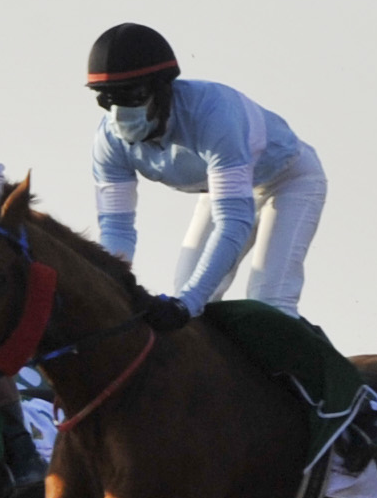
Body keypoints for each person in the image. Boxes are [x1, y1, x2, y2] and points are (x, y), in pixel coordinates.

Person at [84, 24, 328, 318]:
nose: (119, 113)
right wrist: (112, 287)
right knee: (191, 295)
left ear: (162, 90)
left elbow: (233, 221)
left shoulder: (214, 114)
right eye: (106, 98)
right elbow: (116, 227)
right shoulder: (109, 141)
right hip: (220, 188)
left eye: (131, 96)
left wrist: (186, 303)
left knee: (269, 300)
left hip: (288, 180)